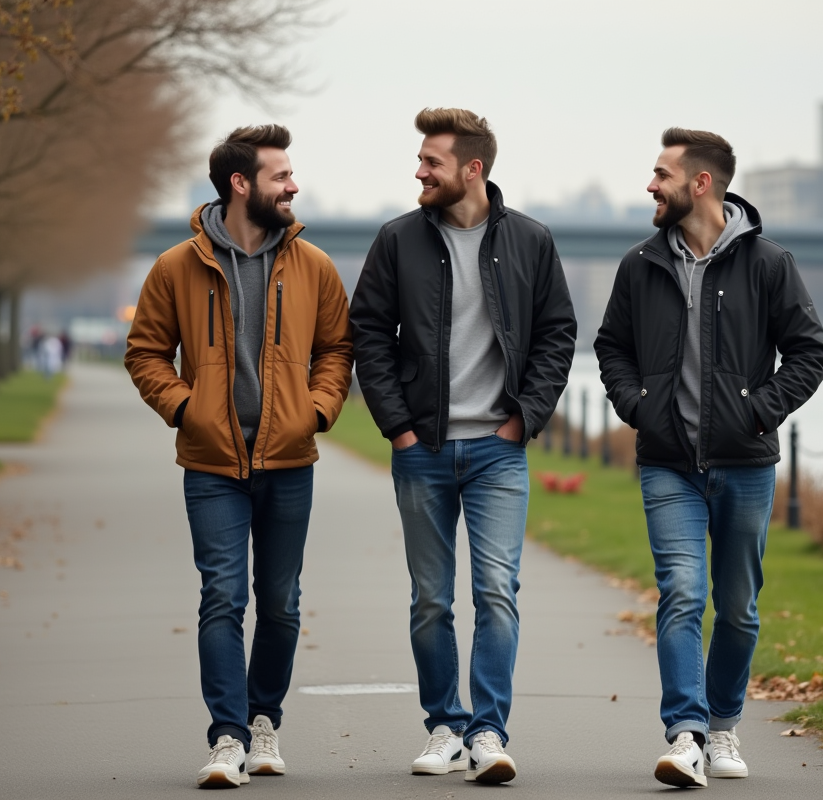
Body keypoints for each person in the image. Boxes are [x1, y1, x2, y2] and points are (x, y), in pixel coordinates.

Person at [594, 128, 823, 788]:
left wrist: (757, 410)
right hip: (667, 462)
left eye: (661, 173)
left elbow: (809, 353)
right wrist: (638, 405)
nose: (650, 184)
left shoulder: (768, 265)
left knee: (738, 607)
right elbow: (612, 346)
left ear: (700, 183)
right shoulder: (641, 264)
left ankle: (723, 725)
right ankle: (687, 735)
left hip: (745, 463)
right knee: (680, 595)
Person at [349, 108, 576, 784]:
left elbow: (557, 335)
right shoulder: (397, 240)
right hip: (422, 448)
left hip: (499, 452)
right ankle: (444, 726)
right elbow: (368, 334)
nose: (419, 172)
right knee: (430, 598)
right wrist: (398, 426)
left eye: (432, 162)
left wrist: (524, 419)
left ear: (472, 169)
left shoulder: (532, 241)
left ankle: (490, 733)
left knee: (497, 594)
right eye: (420, 161)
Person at [125, 124, 353, 788]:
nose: (294, 185)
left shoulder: (314, 265)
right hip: (211, 465)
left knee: (280, 602)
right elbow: (144, 353)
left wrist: (316, 408)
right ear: (241, 184)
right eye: (282, 175)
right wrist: (184, 407)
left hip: (289, 460)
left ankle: (264, 723)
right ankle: (226, 736)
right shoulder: (176, 267)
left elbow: (339, 348)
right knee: (221, 596)